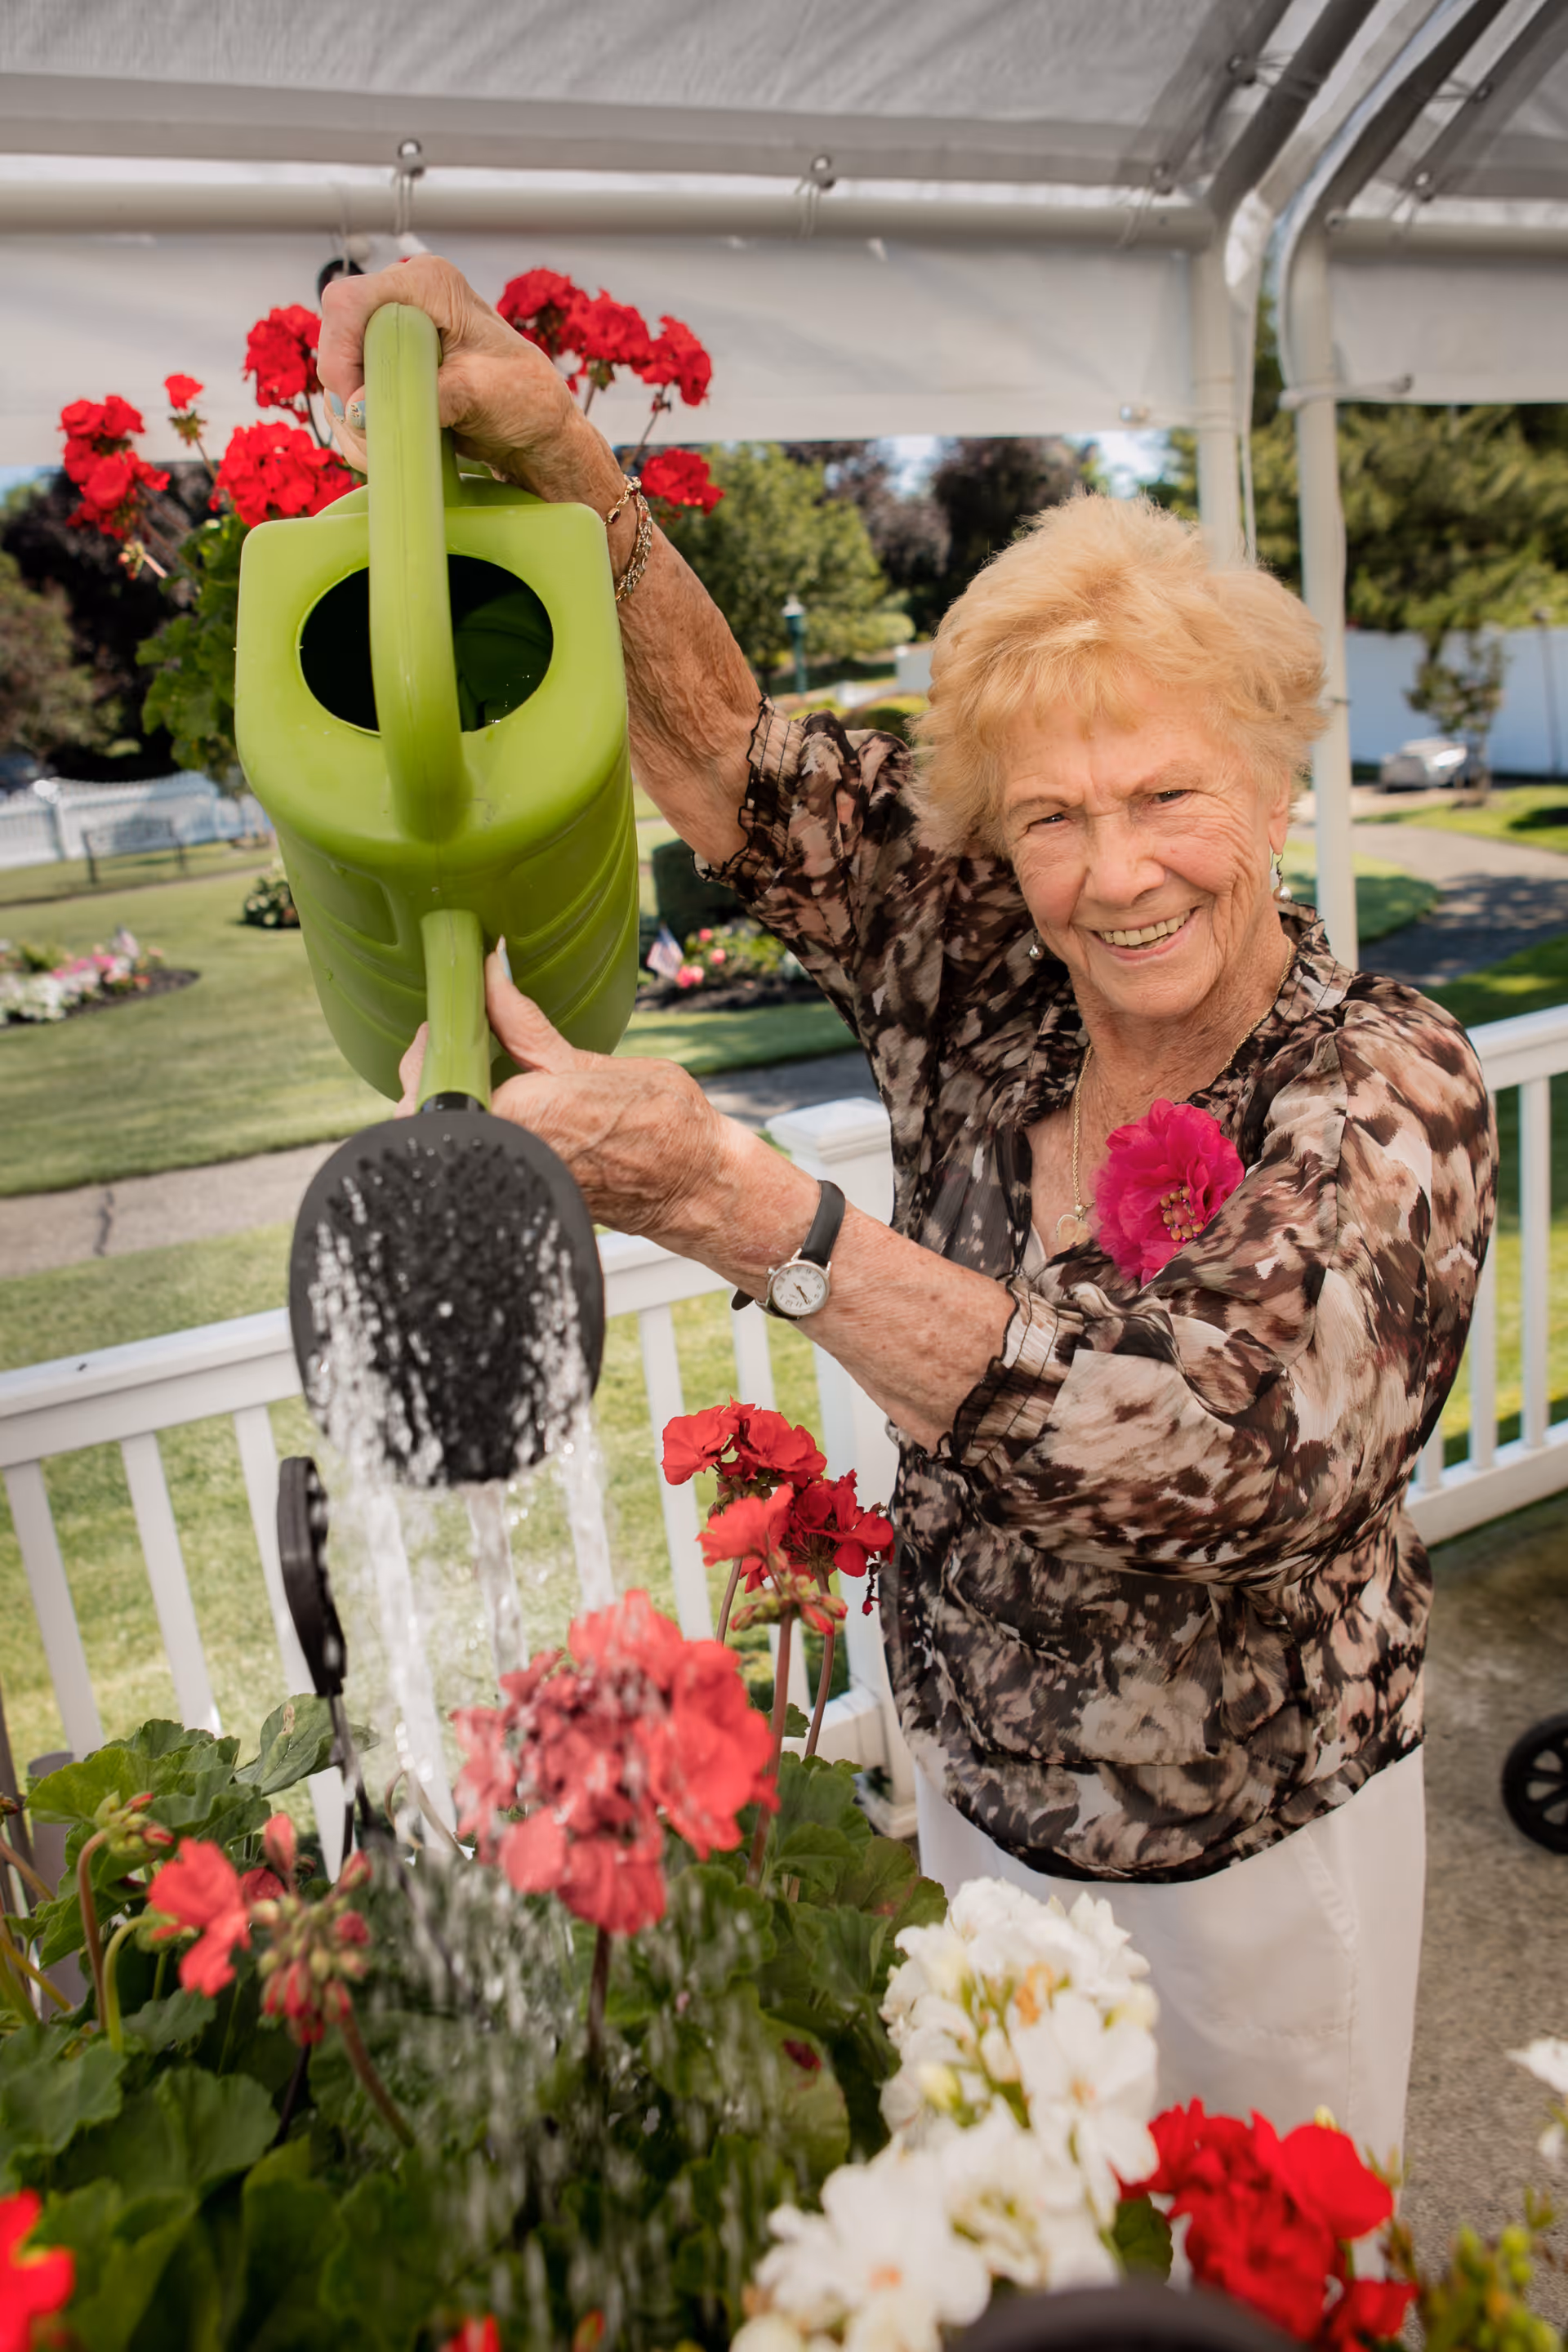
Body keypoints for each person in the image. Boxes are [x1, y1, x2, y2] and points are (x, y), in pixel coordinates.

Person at [318, 258, 1496, 2161]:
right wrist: (555, 448)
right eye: (1050, 816)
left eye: (1166, 795)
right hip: (964, 1803)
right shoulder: (976, 951)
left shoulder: (1383, 1080)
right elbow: (722, 754)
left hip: (1242, 1860)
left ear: (1274, 789)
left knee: (1253, 2290)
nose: (1114, 874)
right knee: (1006, 2245)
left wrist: (746, 1210)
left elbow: (1217, 1447)